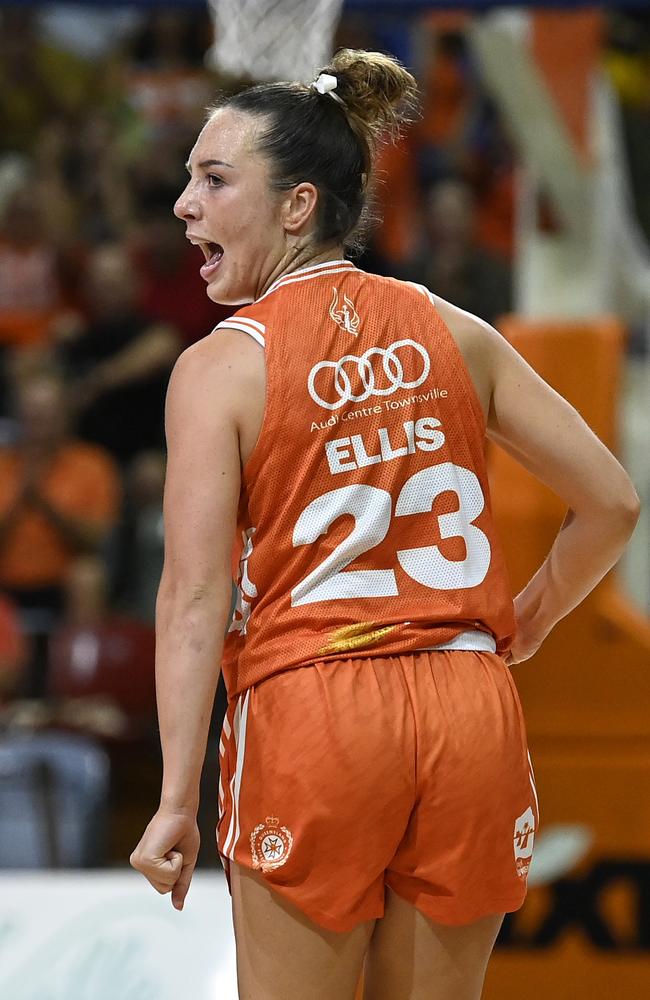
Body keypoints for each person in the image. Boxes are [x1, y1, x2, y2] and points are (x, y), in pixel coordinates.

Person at [130, 49, 640, 999]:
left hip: (317, 705)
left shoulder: (221, 366)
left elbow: (194, 595)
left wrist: (172, 800)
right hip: (468, 703)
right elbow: (613, 502)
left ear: (297, 205)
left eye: (212, 178)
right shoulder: (461, 330)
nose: (183, 205)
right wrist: (527, 619)